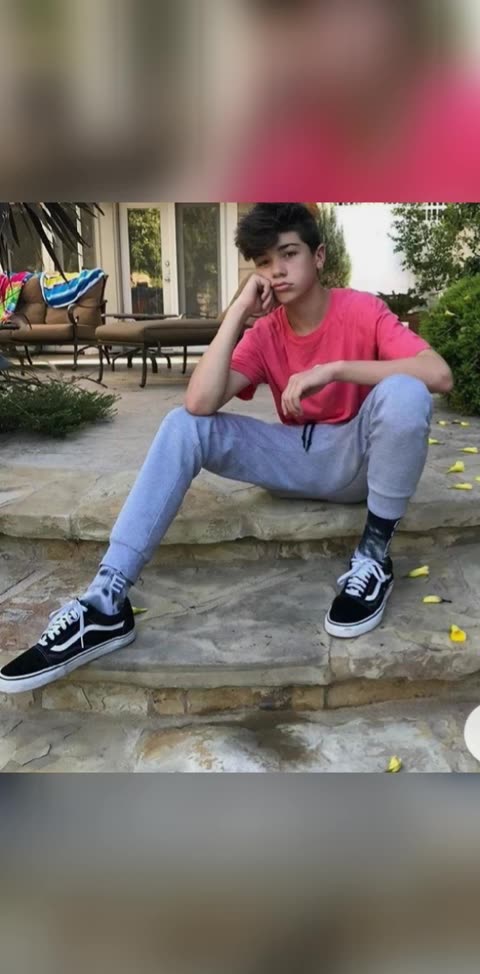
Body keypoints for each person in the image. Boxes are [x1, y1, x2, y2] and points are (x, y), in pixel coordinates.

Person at [0, 203, 453, 694]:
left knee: (405, 391)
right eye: (263, 261)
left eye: (289, 254)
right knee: (183, 425)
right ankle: (106, 601)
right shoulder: (267, 332)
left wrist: (334, 370)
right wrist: (237, 312)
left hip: (356, 457)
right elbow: (199, 403)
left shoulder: (361, 310)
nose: (277, 270)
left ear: (319, 256)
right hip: (294, 460)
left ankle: (374, 556)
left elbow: (438, 374)